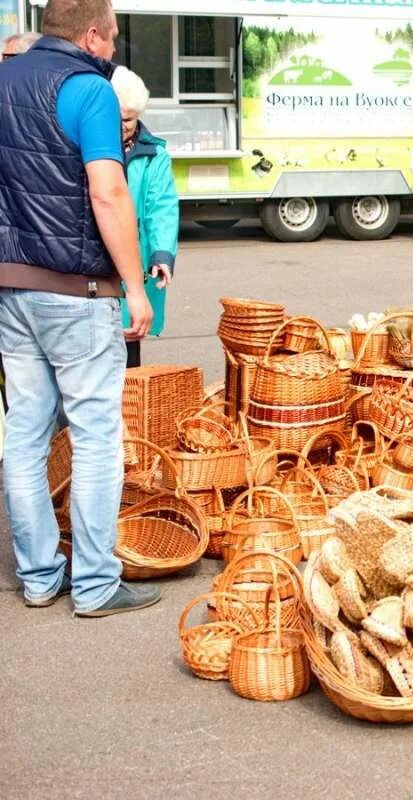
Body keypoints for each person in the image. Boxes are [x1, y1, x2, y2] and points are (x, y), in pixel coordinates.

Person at [0, 0, 159, 616]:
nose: (114, 49)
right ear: (91, 35)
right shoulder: (89, 89)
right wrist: (135, 287)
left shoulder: (5, 77)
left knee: (25, 433)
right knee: (96, 437)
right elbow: (109, 192)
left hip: (11, 288)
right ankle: (95, 584)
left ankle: (40, 576)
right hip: (77, 292)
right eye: (113, 37)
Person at [112, 65, 178, 368]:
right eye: (115, 118)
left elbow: (161, 208)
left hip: (133, 262)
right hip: (94, 265)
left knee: (129, 343)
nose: (121, 126)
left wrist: (161, 254)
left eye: (128, 120)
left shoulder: (155, 156)